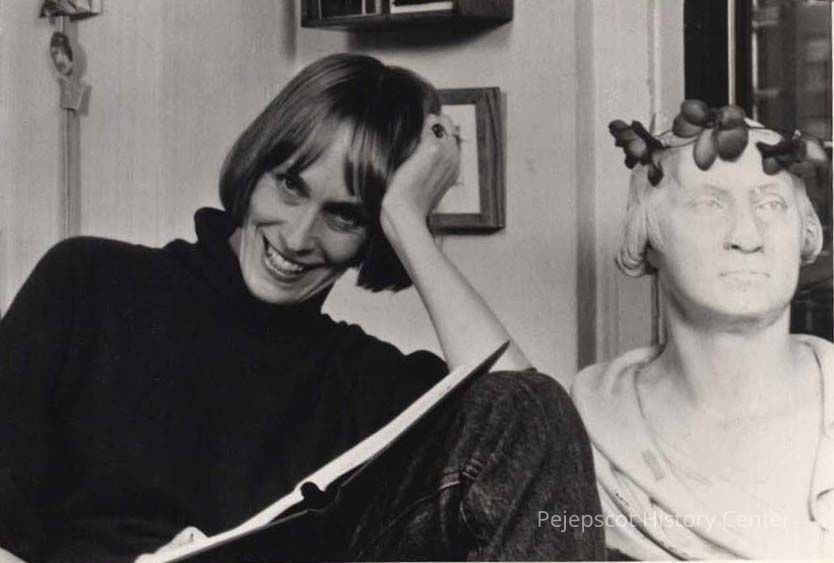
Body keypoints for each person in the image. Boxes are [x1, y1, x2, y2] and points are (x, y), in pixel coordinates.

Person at [0, 53, 603, 562]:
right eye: (291, 185)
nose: (296, 237)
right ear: (257, 165)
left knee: (530, 402)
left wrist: (405, 221)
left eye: (344, 216)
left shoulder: (360, 380)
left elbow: (529, 428)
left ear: (371, 237)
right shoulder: (91, 283)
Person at [572, 100, 833, 559]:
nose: (747, 236)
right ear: (648, 237)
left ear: (804, 232)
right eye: (709, 203)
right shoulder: (597, 420)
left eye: (771, 204)